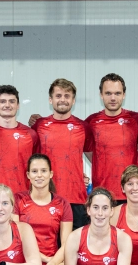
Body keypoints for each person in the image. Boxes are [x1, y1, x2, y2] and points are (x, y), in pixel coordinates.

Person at [28, 79, 93, 229]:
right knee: (46, 248)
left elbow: (95, 159)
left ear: (73, 100)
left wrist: (80, 177)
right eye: (58, 96)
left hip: (76, 199)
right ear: (50, 100)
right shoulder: (39, 125)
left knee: (74, 249)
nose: (62, 100)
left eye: (67, 96)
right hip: (45, 197)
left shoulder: (83, 127)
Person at [84, 74, 138, 203]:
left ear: (124, 95)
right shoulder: (91, 121)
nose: (113, 98)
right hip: (102, 193)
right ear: (101, 95)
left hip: (132, 193)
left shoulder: (136, 119)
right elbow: (89, 151)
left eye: (117, 93)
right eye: (108, 93)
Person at [0, 85, 39, 201]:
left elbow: (37, 166)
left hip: (23, 199)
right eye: (2, 101)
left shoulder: (31, 134)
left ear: (18, 105)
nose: (7, 105)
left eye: (12, 101)